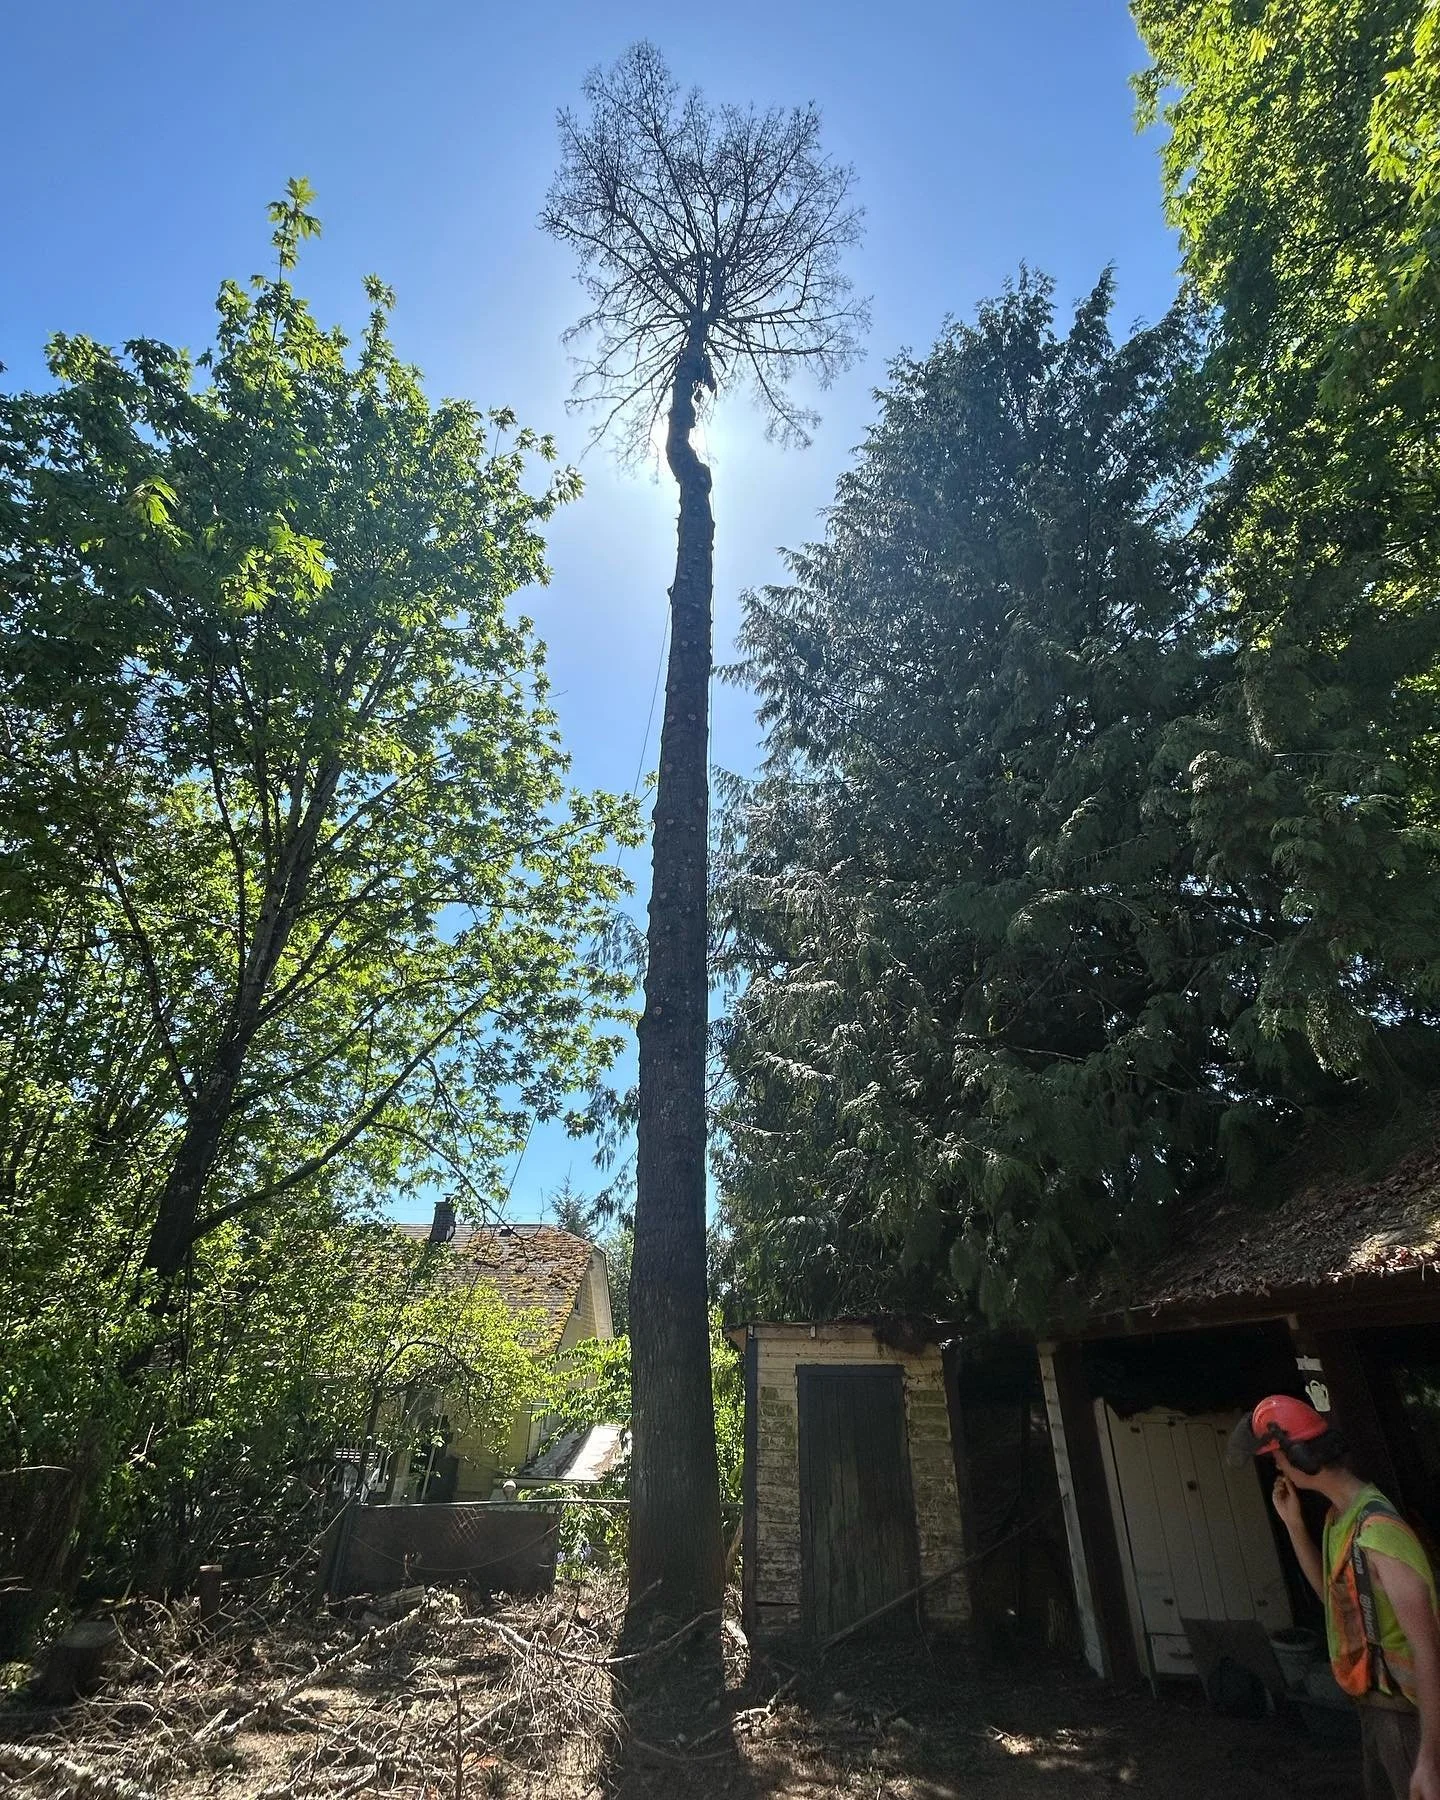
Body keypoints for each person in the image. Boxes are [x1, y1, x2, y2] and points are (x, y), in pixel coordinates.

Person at [1230, 1394, 1440, 1800]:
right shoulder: (1338, 1519)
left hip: (1408, 1717)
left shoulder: (1379, 1531)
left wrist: (1430, 1759)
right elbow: (1336, 1606)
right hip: (1375, 1710)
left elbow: (1428, 1647)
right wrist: (1294, 1526)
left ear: (1301, 1455)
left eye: (1278, 1457)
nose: (1277, 1466)